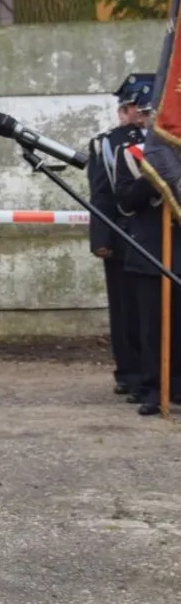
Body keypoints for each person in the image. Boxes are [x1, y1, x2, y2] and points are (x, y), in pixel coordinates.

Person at [113, 75, 181, 416]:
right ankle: (155, 386)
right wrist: (155, 180)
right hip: (150, 250)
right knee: (152, 324)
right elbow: (123, 201)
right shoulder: (131, 154)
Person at [86, 73, 152, 399]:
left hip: (158, 237)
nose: (125, 114)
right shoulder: (108, 143)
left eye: (128, 107)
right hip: (122, 235)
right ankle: (130, 372)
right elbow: (101, 195)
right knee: (126, 311)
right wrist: (101, 239)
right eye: (126, 107)